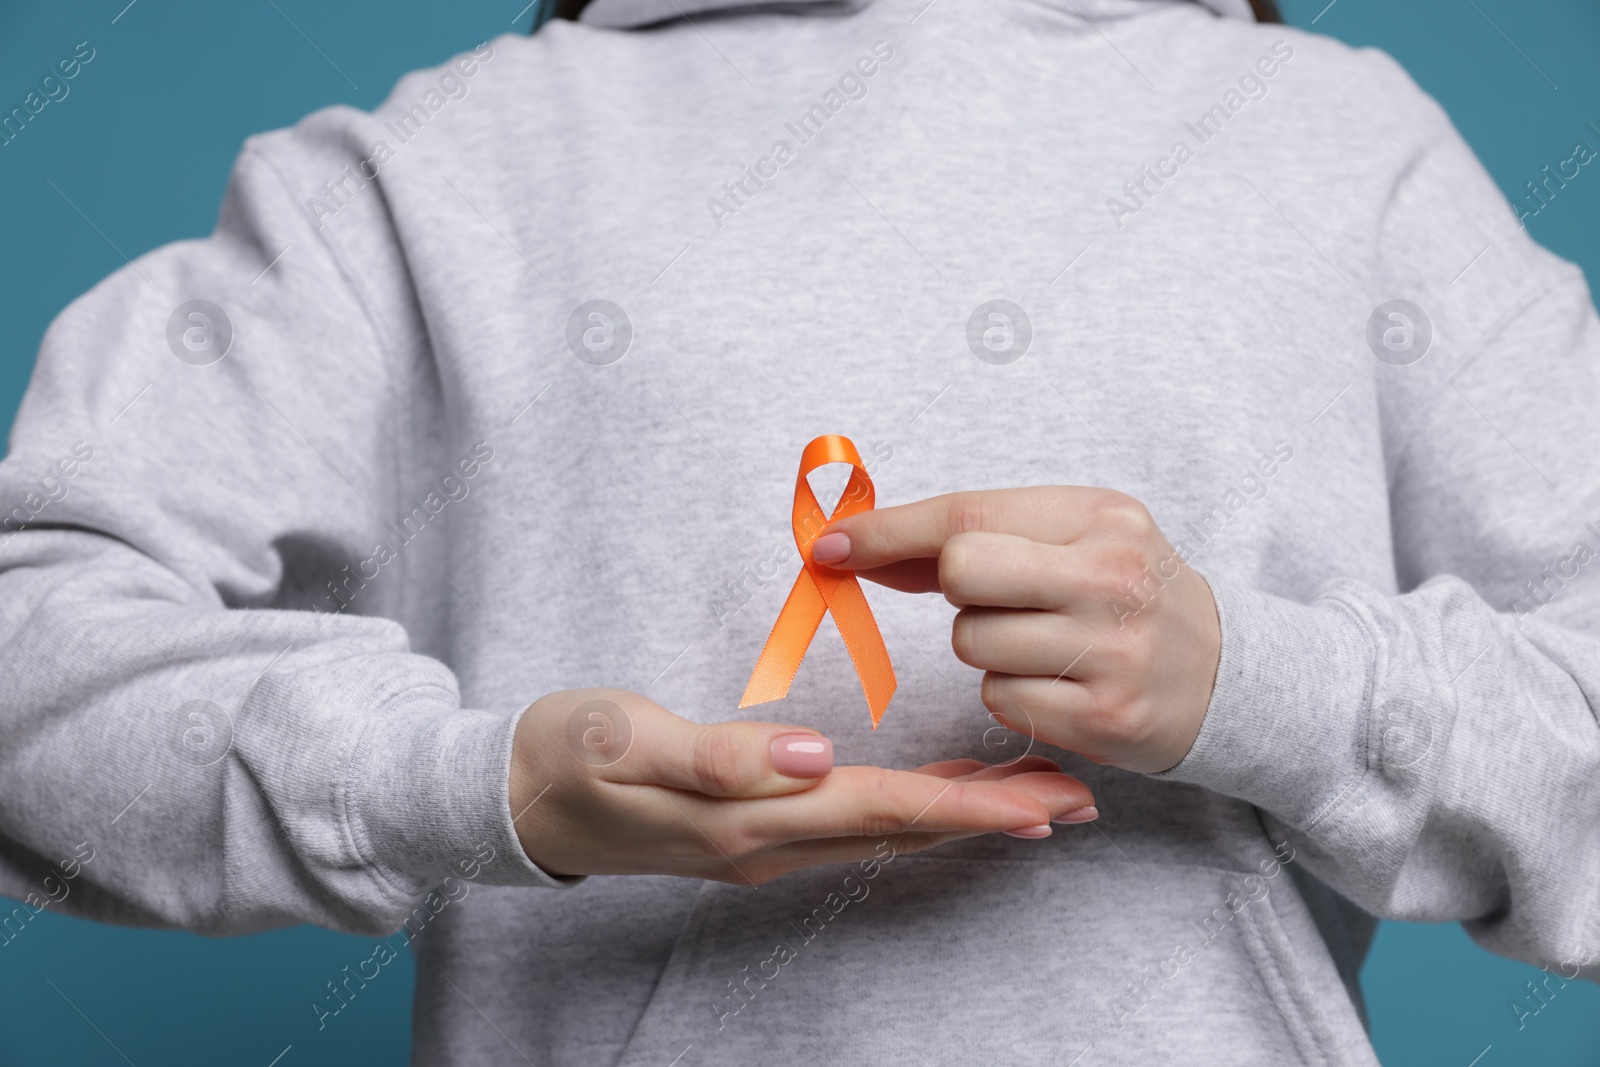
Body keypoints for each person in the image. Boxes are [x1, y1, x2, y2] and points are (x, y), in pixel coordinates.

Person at [1, 0, 1596, 1063]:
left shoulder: (1339, 145)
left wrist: (1268, 686)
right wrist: (469, 788)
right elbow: (29, 667)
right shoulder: (435, 174)